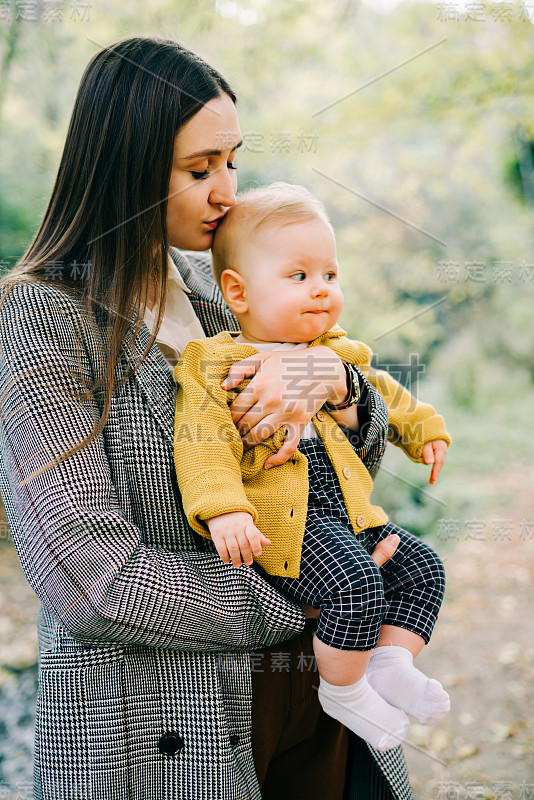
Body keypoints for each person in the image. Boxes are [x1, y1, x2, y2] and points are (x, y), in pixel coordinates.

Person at [0, 37, 415, 800]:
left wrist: (340, 383)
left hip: (311, 701)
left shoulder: (217, 283)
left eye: (232, 161)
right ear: (126, 167)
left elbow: (325, 475)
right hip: (156, 722)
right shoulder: (46, 315)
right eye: (199, 170)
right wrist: (307, 590)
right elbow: (91, 581)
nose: (227, 191)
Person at [173, 182, 451, 752]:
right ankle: (343, 690)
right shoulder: (221, 363)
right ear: (238, 292)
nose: (322, 290)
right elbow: (202, 440)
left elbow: (385, 395)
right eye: (299, 277)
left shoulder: (336, 350)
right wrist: (224, 510)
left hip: (348, 511)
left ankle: (390, 663)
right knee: (353, 583)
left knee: (422, 567)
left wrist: (424, 430)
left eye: (330, 274)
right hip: (289, 524)